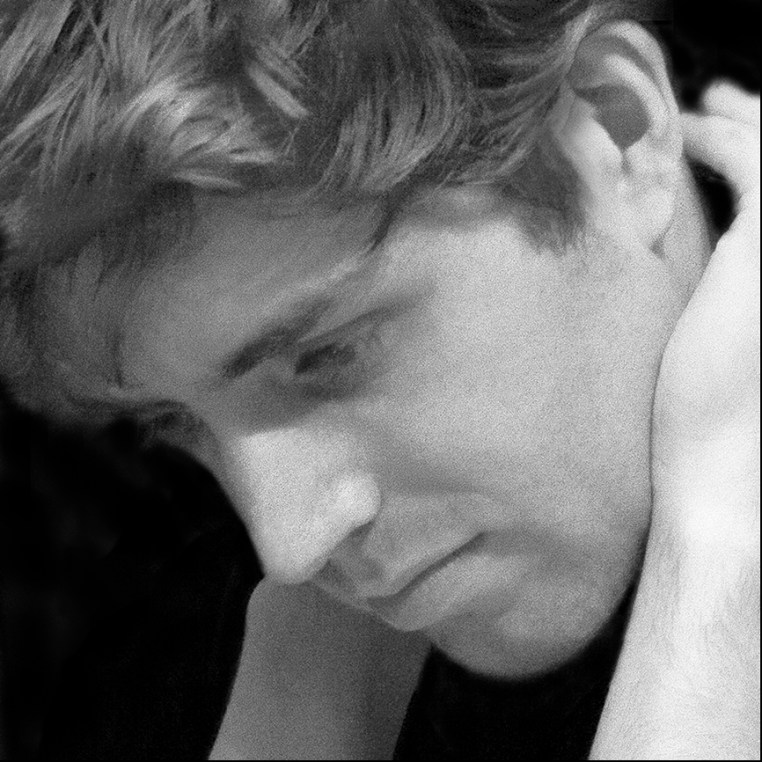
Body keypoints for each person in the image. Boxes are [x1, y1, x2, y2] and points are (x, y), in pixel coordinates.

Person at [0, 0, 758, 758]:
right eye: (179, 422)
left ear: (615, 133)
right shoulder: (174, 677)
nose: (289, 549)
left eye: (327, 355)